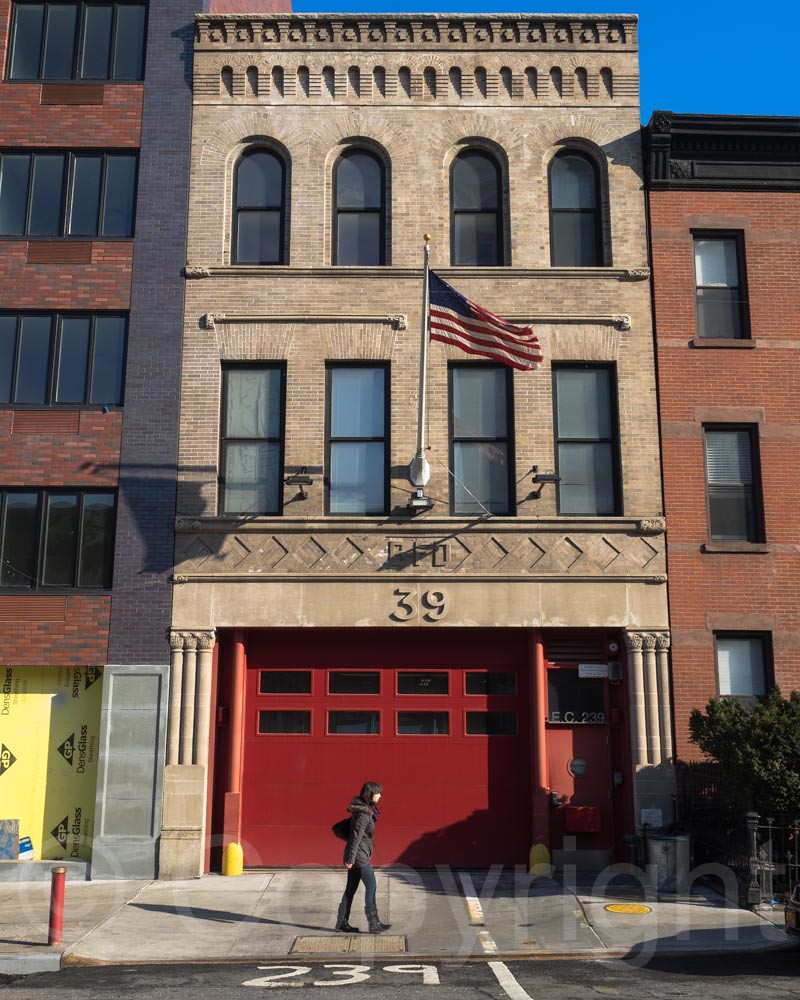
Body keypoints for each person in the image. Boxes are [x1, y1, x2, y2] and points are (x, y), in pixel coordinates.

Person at [335, 780, 391, 934]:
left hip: (358, 855)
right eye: (377, 793)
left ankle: (342, 923)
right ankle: (373, 924)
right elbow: (356, 836)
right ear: (370, 794)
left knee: (350, 890)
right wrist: (351, 859)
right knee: (371, 887)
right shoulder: (364, 814)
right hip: (359, 857)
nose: (380, 796)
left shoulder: (366, 810)